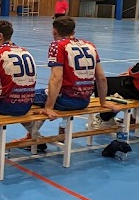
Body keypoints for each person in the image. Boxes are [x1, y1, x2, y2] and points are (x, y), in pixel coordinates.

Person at [23, 17, 110, 149]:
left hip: (66, 100)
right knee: (45, 95)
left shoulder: (58, 46)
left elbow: (56, 78)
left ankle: (35, 136)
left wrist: (49, 108)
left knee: (24, 98)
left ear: (54, 31)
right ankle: (40, 133)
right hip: (84, 100)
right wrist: (103, 102)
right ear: (73, 31)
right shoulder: (90, 45)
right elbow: (101, 77)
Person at [0, 20, 36, 144]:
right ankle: (36, 134)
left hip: (7, 105)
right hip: (27, 103)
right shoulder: (25, 51)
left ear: (0, 36)